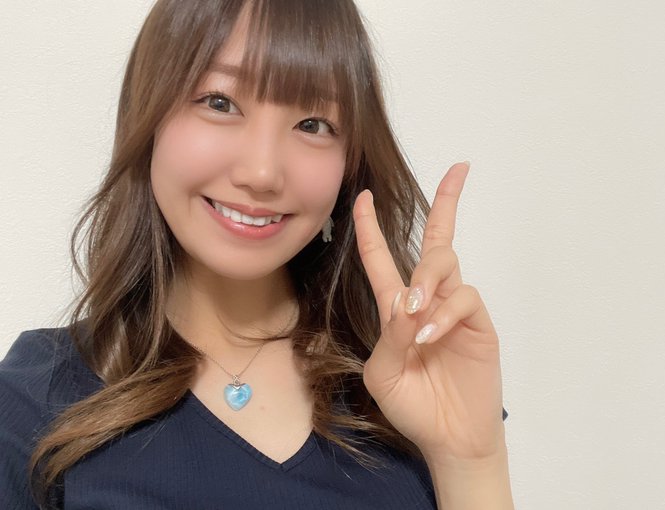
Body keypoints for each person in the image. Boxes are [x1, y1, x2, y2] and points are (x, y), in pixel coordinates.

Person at [0, 0, 513, 508]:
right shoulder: (38, 397)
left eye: (313, 124)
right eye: (220, 102)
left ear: (350, 161)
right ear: (147, 115)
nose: (262, 173)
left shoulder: (414, 380)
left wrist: (471, 460)